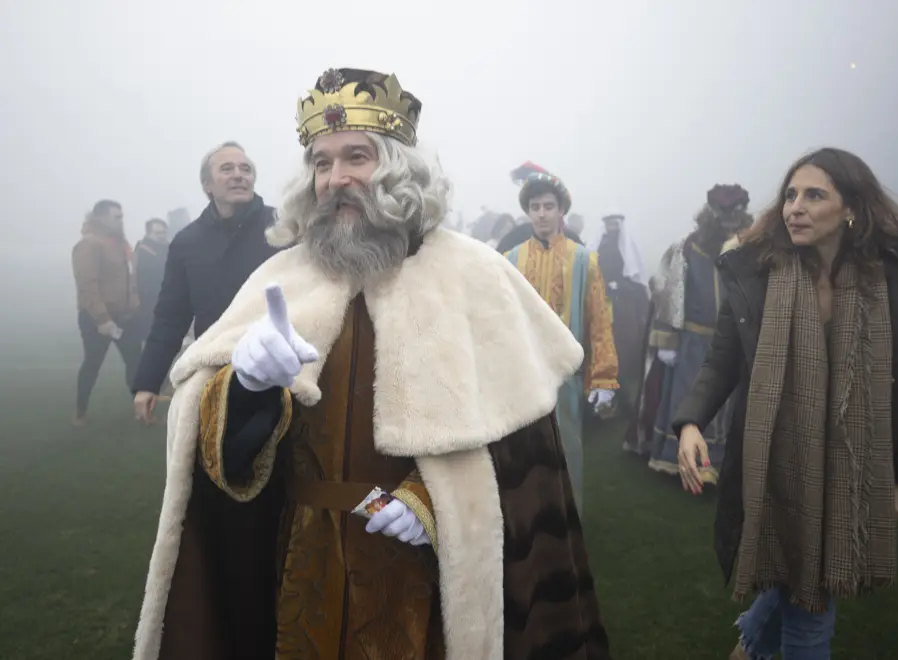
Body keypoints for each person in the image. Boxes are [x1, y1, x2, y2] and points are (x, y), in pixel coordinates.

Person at [133, 66, 610, 660]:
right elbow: (219, 464)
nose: (336, 179)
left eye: (356, 156)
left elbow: (523, 455)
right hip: (301, 569)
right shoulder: (282, 277)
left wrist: (434, 503)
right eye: (321, 162)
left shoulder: (474, 276)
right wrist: (245, 387)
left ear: (398, 168)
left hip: (422, 581)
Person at [673, 148, 898, 659]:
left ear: (851, 209)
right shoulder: (755, 275)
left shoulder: (892, 285)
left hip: (851, 466)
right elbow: (720, 363)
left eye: (814, 195)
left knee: (804, 577)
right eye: (791, 195)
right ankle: (755, 644)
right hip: (774, 458)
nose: (796, 206)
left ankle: (750, 643)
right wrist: (690, 423)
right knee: (809, 602)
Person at [131, 141, 281, 423]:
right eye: (227, 169)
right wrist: (148, 382)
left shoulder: (284, 227)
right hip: (215, 372)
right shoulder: (187, 242)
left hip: (278, 372)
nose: (239, 174)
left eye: (245, 169)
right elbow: (170, 318)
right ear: (207, 185)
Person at [504, 168, 620, 513]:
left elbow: (600, 320)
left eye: (548, 206)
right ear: (528, 211)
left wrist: (603, 377)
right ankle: (523, 528)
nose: (541, 213)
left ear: (560, 210)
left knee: (565, 454)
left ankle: (567, 537)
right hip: (522, 377)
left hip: (565, 379)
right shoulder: (510, 260)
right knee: (521, 456)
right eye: (535, 206)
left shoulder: (584, 260)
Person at [646, 184, 753, 483]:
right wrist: (667, 338)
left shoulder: (753, 248)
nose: (728, 220)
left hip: (736, 342)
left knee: (730, 404)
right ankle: (682, 461)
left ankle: (722, 464)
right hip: (694, 342)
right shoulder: (687, 248)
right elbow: (667, 292)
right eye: (722, 214)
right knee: (689, 400)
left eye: (735, 214)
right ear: (710, 214)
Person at [70, 200, 143, 426]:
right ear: (100, 218)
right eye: (116, 217)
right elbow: (87, 285)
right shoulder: (89, 245)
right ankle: (80, 413)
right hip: (97, 319)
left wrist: (135, 304)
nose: (121, 221)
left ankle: (142, 411)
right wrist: (103, 319)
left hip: (125, 316)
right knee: (92, 363)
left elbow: (130, 278)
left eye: (122, 216)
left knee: (135, 363)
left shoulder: (121, 244)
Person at [588, 211, 650, 412]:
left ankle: (622, 395)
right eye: (608, 224)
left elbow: (635, 276)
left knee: (623, 346)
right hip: (601, 302)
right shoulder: (600, 244)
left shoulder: (627, 245)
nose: (611, 227)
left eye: (614, 224)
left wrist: (620, 286)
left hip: (622, 304)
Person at [133, 218, 170, 344]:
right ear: (149, 233)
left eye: (164, 232)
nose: (162, 236)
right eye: (157, 233)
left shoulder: (168, 248)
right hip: (149, 301)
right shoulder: (143, 251)